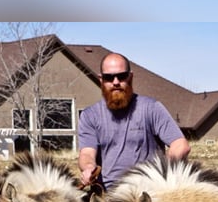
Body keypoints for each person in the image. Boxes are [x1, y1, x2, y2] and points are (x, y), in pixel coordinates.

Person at [77, 52, 191, 190]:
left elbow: (181, 145)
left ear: (130, 77)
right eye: (109, 77)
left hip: (147, 192)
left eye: (122, 76)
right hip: (109, 195)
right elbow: (87, 153)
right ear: (101, 80)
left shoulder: (151, 108)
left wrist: (158, 172)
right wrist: (89, 169)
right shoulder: (90, 115)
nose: (116, 82)